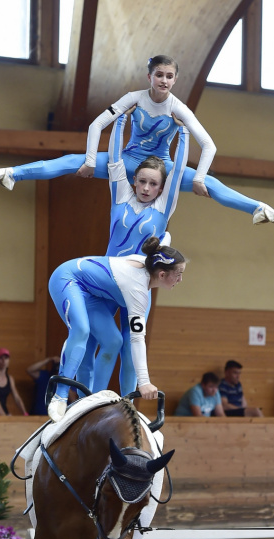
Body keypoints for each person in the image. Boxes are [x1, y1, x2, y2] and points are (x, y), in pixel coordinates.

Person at [0, 54, 274, 226]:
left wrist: (200, 178)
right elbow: (97, 124)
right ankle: (11, 174)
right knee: (69, 162)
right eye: (159, 75)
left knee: (215, 185)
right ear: (149, 77)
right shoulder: (134, 98)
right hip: (127, 163)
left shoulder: (178, 107)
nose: (164, 80)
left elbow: (209, 145)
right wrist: (88, 160)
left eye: (169, 76)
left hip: (162, 169)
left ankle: (258, 209)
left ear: (174, 80)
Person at [76, 110, 189, 396]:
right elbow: (114, 158)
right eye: (142, 182)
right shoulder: (121, 197)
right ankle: (88, 400)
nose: (147, 188)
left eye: (154, 184)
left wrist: (184, 132)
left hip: (138, 284)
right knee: (93, 340)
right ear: (134, 181)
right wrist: (121, 121)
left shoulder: (163, 208)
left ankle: (126, 404)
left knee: (130, 347)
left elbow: (177, 172)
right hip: (108, 278)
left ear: (162, 188)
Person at [47, 236, 187, 421]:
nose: (181, 279)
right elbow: (137, 340)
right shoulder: (138, 289)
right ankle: (60, 394)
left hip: (89, 293)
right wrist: (144, 382)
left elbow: (165, 239)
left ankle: (93, 400)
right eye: (178, 274)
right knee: (81, 330)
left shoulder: (151, 262)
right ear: (162, 274)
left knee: (114, 341)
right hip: (67, 279)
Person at [0, 348, 28, 417]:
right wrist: (5, 416)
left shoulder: (10, 378)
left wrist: (25, 413)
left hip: (3, 410)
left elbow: (17, 398)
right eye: (0, 358)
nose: (4, 361)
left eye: (6, 358)